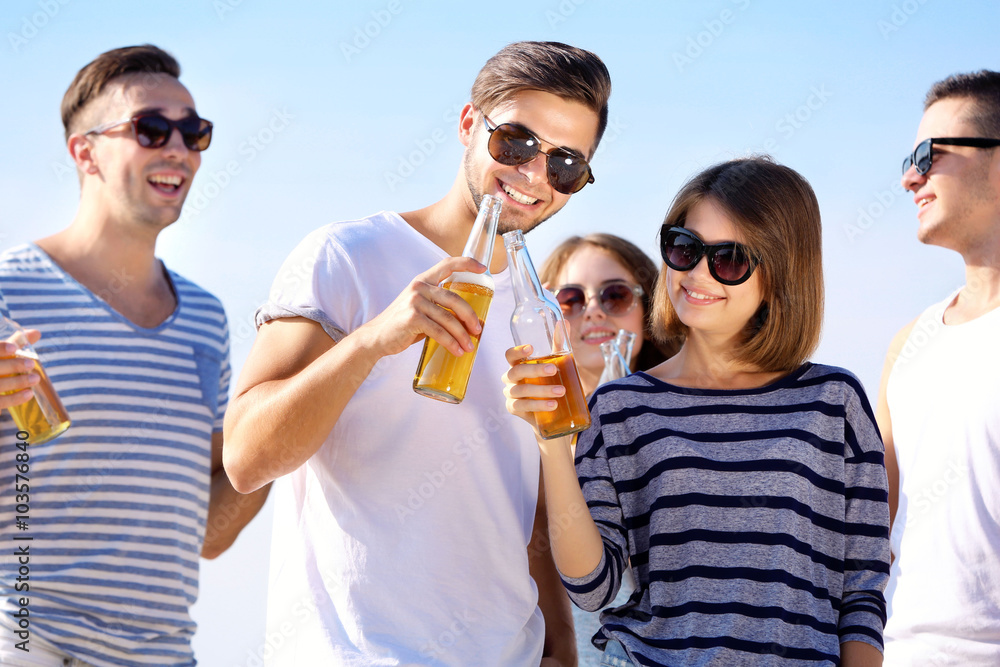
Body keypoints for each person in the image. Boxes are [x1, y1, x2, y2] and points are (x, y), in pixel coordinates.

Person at [222, 41, 611, 665]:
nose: (534, 175)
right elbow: (245, 458)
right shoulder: (346, 255)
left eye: (565, 164)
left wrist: (560, 652)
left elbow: (523, 512)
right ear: (467, 126)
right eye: (515, 143)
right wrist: (374, 340)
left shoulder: (541, 312)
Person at [504, 157, 891, 666]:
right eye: (684, 248)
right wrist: (551, 442)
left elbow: (862, 588)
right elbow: (592, 588)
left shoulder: (834, 400)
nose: (697, 273)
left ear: (780, 273)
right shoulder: (620, 408)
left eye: (728, 258)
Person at [0, 45, 269, 666]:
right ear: (84, 151)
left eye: (194, 131)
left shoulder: (203, 318)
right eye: (152, 128)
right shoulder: (9, 290)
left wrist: (289, 431)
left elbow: (207, 535)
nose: (178, 147)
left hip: (162, 655)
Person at [877, 70, 1000, 666]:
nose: (910, 177)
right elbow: (868, 532)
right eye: (910, 157)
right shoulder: (910, 343)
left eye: (929, 154)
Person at [539, 234, 675, 397]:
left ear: (650, 315)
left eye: (615, 296)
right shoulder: (521, 416)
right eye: (571, 299)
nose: (593, 311)